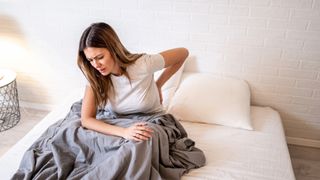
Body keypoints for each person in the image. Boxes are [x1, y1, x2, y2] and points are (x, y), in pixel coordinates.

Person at [77, 22, 188, 142]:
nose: (96, 65)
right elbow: (86, 119)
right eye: (90, 60)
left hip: (149, 120)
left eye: (100, 57)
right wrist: (124, 132)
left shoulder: (142, 64)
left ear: (113, 49)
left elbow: (183, 53)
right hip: (116, 123)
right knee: (75, 135)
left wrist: (158, 85)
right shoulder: (94, 74)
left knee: (141, 141)